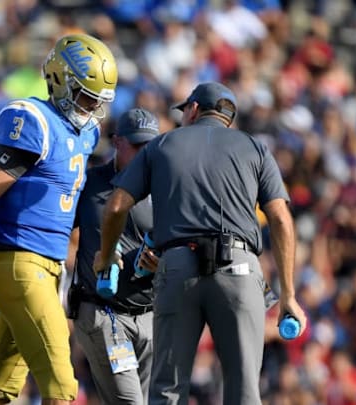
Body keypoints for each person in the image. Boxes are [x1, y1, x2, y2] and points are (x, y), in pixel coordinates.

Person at [93, 81, 308, 405]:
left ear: (193, 109)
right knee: (244, 390)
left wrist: (107, 257)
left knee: (167, 388)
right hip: (239, 268)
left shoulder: (161, 145)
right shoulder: (255, 147)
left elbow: (116, 206)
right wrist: (289, 294)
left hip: (177, 267)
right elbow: (280, 218)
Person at [0, 33, 118, 404]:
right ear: (60, 80)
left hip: (45, 269)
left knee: (0, 388)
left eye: (98, 98)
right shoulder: (33, 121)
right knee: (62, 388)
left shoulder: (85, 133)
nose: (92, 105)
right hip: (19, 264)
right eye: (85, 94)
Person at [69, 108, 160, 404]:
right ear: (117, 142)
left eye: (150, 147)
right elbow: (56, 232)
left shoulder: (164, 189)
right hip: (102, 311)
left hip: (149, 315)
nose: (145, 154)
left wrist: (163, 263)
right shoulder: (89, 182)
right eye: (137, 146)